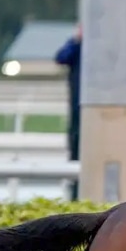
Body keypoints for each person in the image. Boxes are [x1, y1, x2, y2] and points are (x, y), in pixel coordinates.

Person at [54, 25, 82, 163]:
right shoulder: (77, 46)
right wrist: (76, 41)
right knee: (75, 138)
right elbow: (61, 58)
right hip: (77, 103)